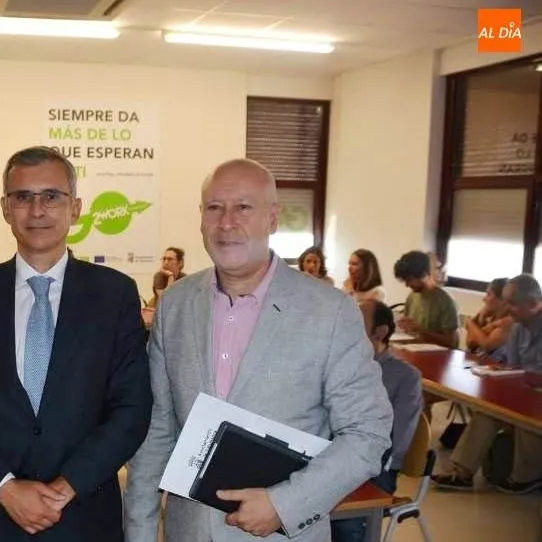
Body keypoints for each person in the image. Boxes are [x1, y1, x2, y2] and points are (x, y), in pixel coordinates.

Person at [124, 158, 392, 542]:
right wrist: (139, 531)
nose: (227, 222)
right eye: (215, 207)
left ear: (272, 218)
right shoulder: (176, 304)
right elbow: (158, 431)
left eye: (244, 207)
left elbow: (368, 432)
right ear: (201, 218)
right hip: (188, 531)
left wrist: (285, 504)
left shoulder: (330, 311)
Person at [0, 146, 152, 542]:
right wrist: (5, 487)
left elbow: (131, 406)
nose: (37, 210)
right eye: (23, 197)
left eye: (51, 196)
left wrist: (65, 488)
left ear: (76, 207)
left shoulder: (114, 294)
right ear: (5, 207)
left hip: (83, 513)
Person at [432, 274, 542, 494]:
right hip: (524, 389)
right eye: (506, 302)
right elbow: (512, 365)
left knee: (527, 414)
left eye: (513, 304)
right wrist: (499, 371)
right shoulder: (518, 327)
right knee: (488, 411)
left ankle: (526, 477)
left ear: (533, 304)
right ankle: (462, 472)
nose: (507, 309)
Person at [331, 300, 422, 542]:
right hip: (334, 455)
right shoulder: (340, 364)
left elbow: (398, 440)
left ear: (380, 331)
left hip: (374, 466)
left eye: (359, 319)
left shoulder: (405, 377)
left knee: (346, 519)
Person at [393, 250, 460, 349]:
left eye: (410, 280)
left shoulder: (445, 301)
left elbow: (451, 342)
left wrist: (420, 330)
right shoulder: (412, 297)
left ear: (424, 274)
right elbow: (410, 332)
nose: (407, 285)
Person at [464, 278, 512, 358]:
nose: (484, 299)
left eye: (489, 294)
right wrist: (480, 317)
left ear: (503, 300)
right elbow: (470, 343)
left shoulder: (508, 323)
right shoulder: (491, 316)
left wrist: (470, 323)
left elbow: (486, 344)